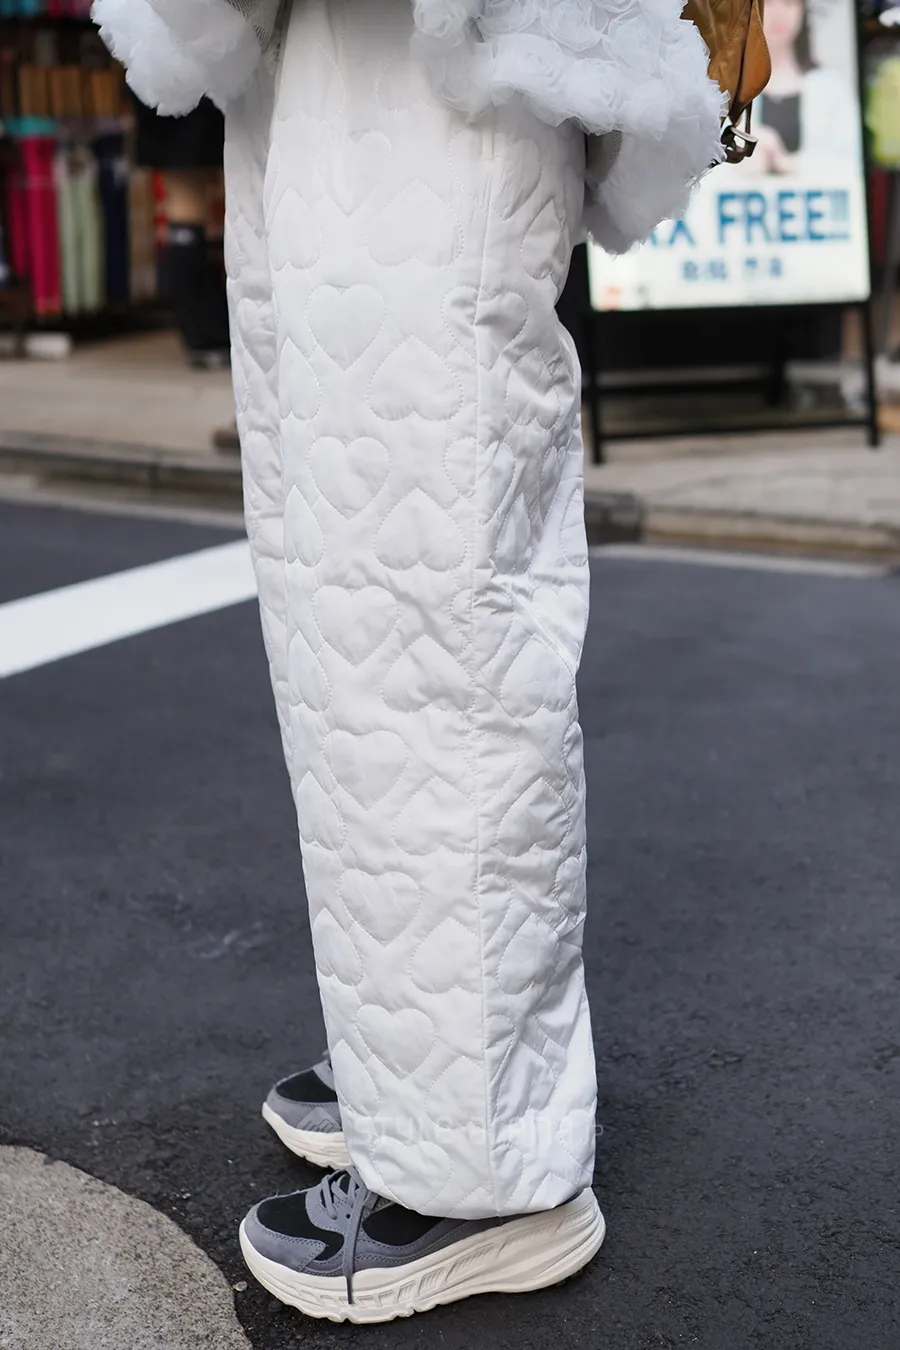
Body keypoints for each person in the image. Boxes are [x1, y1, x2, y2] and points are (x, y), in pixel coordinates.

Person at [93, 0, 723, 1323]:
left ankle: (487, 1172)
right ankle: (418, 1074)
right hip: (314, 72)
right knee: (345, 625)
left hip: (451, 70)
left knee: (438, 635)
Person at [745, 0, 858, 176]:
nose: (779, 13)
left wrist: (788, 163)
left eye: (789, 3)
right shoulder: (723, 88)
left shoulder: (832, 89)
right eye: (768, 3)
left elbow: (853, 162)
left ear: (803, 10)